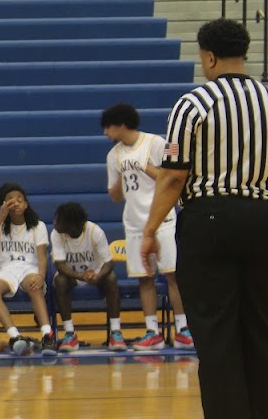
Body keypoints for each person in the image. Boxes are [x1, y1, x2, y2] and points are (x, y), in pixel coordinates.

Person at [140, 18, 268, 419]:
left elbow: (174, 175)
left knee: (216, 333)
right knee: (259, 330)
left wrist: (149, 230)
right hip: (263, 218)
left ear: (210, 56)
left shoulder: (192, 104)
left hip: (208, 219)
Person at [102, 103, 193, 351]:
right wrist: (122, 174)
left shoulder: (156, 143)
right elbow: (115, 196)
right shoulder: (114, 156)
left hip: (162, 219)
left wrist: (144, 166)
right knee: (145, 279)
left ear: (121, 125)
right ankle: (152, 331)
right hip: (134, 224)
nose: (105, 133)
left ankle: (184, 329)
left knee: (173, 275)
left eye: (107, 127)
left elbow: (172, 177)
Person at [0, 182, 57, 357]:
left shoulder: (38, 226)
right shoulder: (0, 226)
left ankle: (47, 335)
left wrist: (41, 275)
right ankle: (15, 336)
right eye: (11, 201)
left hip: (30, 268)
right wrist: (0, 218)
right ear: (4, 205)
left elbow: (43, 256)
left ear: (26, 204)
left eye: (20, 200)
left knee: (34, 285)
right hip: (7, 269)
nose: (16, 203)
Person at [50, 202, 124, 353]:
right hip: (72, 275)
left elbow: (109, 262)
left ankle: (115, 332)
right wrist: (80, 276)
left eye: (59, 220)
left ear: (72, 224)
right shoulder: (56, 234)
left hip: (96, 274)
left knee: (111, 278)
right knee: (59, 281)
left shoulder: (94, 231)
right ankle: (70, 333)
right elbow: (60, 265)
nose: (55, 223)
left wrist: (98, 275)